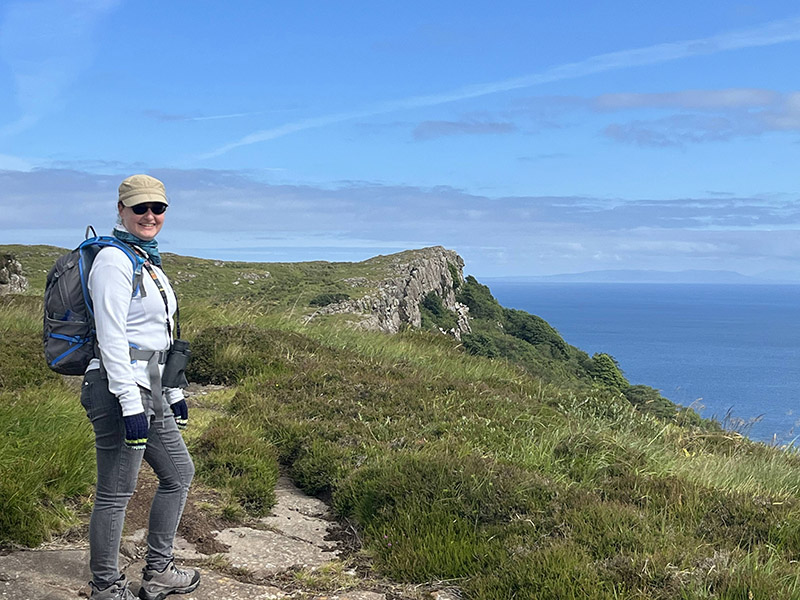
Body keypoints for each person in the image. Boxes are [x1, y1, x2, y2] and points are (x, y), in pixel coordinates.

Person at [80, 174, 199, 600]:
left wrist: (172, 390)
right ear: (121, 210)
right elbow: (112, 337)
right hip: (118, 389)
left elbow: (157, 339)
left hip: (149, 386)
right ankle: (106, 587)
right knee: (116, 492)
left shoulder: (147, 261)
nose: (150, 215)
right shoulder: (113, 260)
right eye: (140, 208)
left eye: (158, 208)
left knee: (179, 473)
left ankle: (157, 572)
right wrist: (130, 402)